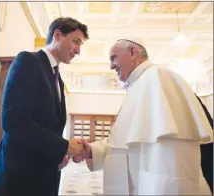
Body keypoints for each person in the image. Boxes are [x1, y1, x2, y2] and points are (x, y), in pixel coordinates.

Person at [77, 38, 213, 195]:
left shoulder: (159, 78)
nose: (111, 65)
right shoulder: (139, 85)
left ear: (133, 52)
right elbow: (126, 145)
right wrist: (93, 151)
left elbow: (169, 161)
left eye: (114, 57)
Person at [0, 17, 89, 196]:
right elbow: (14, 121)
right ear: (57, 35)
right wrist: (63, 146)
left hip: (44, 178)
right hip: (20, 181)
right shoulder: (28, 61)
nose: (78, 50)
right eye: (75, 41)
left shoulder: (58, 78)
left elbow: (48, 127)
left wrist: (59, 154)